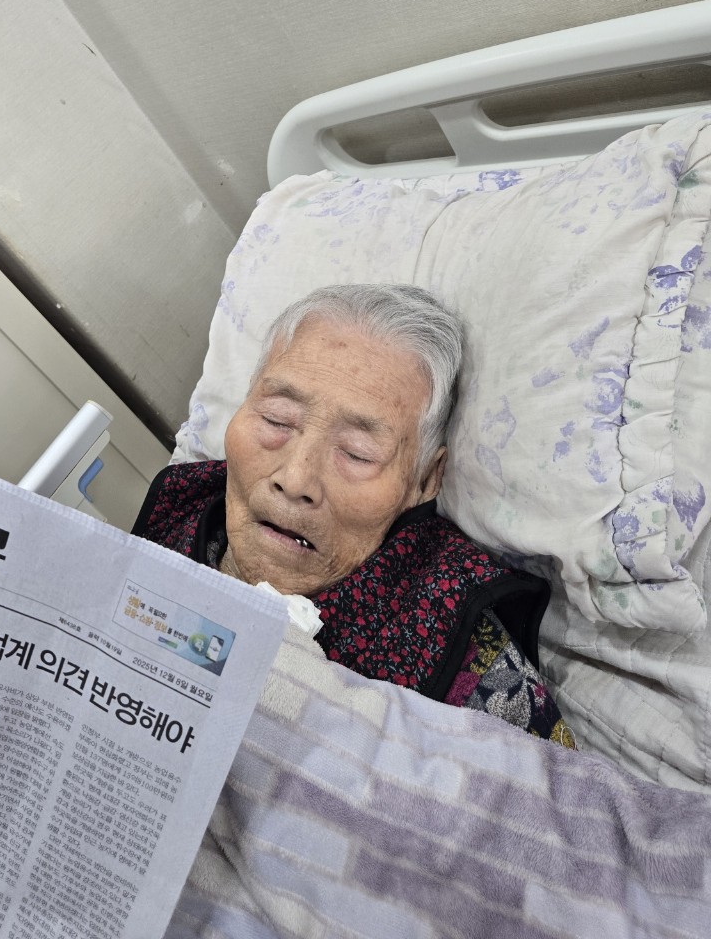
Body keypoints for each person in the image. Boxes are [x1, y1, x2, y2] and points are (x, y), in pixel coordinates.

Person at [134, 283, 575, 746]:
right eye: (277, 419)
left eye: (358, 453)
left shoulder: (465, 656)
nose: (296, 479)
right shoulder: (178, 510)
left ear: (425, 480)